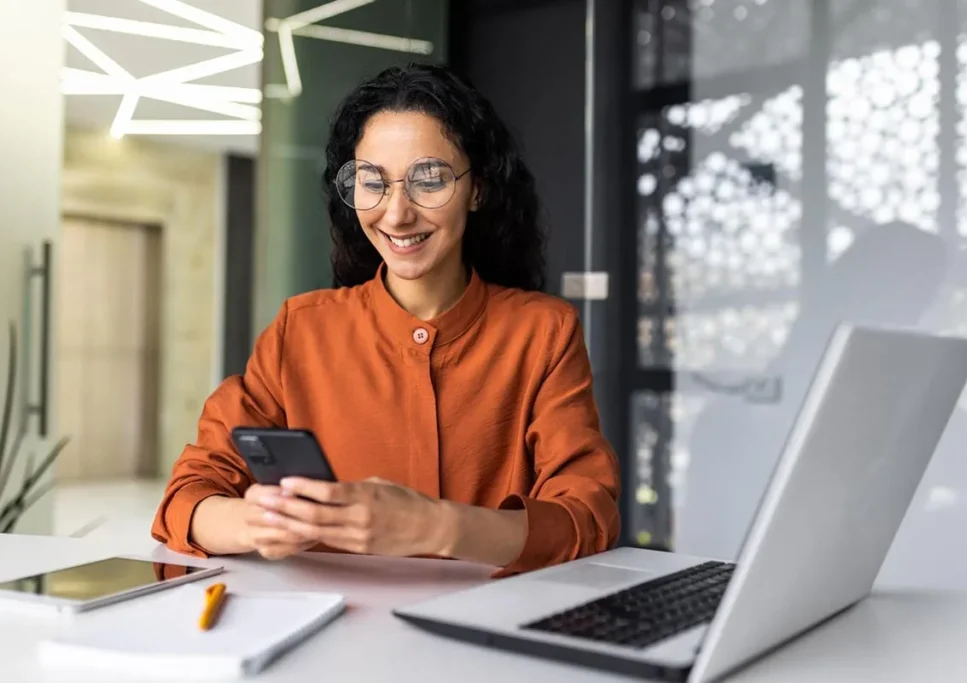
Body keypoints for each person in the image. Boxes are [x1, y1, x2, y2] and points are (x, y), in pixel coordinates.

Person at [150, 63, 621, 577]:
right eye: (372, 182)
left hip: (484, 634)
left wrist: (436, 527)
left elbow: (587, 516)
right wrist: (252, 522)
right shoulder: (300, 330)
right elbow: (188, 496)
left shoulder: (543, 332)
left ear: (478, 189)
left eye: (430, 180)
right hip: (332, 633)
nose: (396, 214)